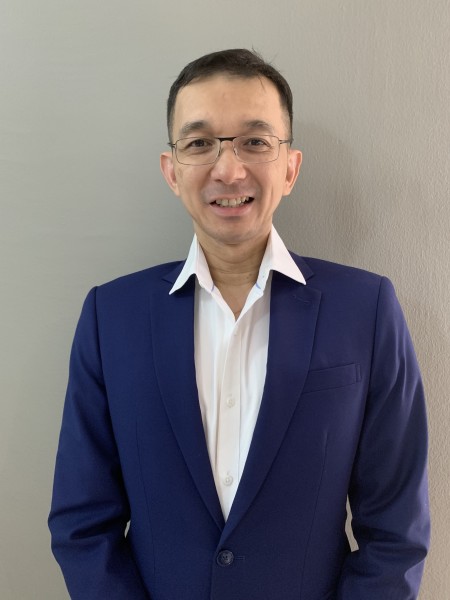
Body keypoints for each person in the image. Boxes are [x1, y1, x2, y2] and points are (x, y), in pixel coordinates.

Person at [49, 49, 430, 600]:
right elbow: (82, 524)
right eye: (199, 144)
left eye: (255, 141)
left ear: (290, 168)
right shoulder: (111, 318)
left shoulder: (365, 309)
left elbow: (396, 531)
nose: (228, 170)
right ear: (172, 171)